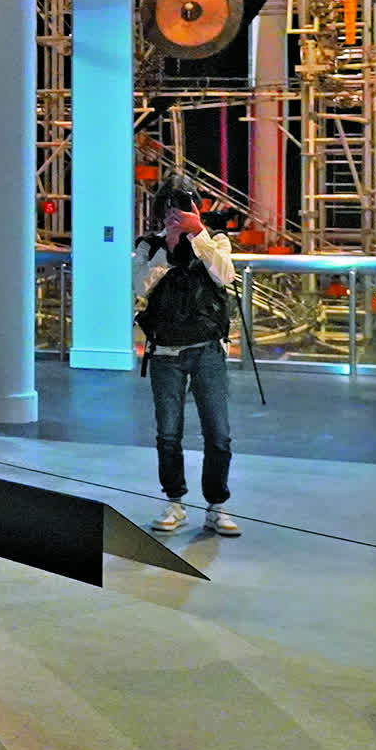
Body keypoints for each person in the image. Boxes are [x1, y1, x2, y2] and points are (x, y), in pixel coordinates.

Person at [135, 174, 240, 536]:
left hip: (207, 349)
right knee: (168, 434)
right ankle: (175, 502)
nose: (174, 213)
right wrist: (167, 248)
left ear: (197, 207)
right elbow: (139, 286)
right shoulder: (149, 245)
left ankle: (216, 506)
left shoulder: (216, 240)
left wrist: (197, 235)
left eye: (182, 206)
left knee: (219, 435)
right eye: (168, 207)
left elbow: (225, 276)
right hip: (165, 352)